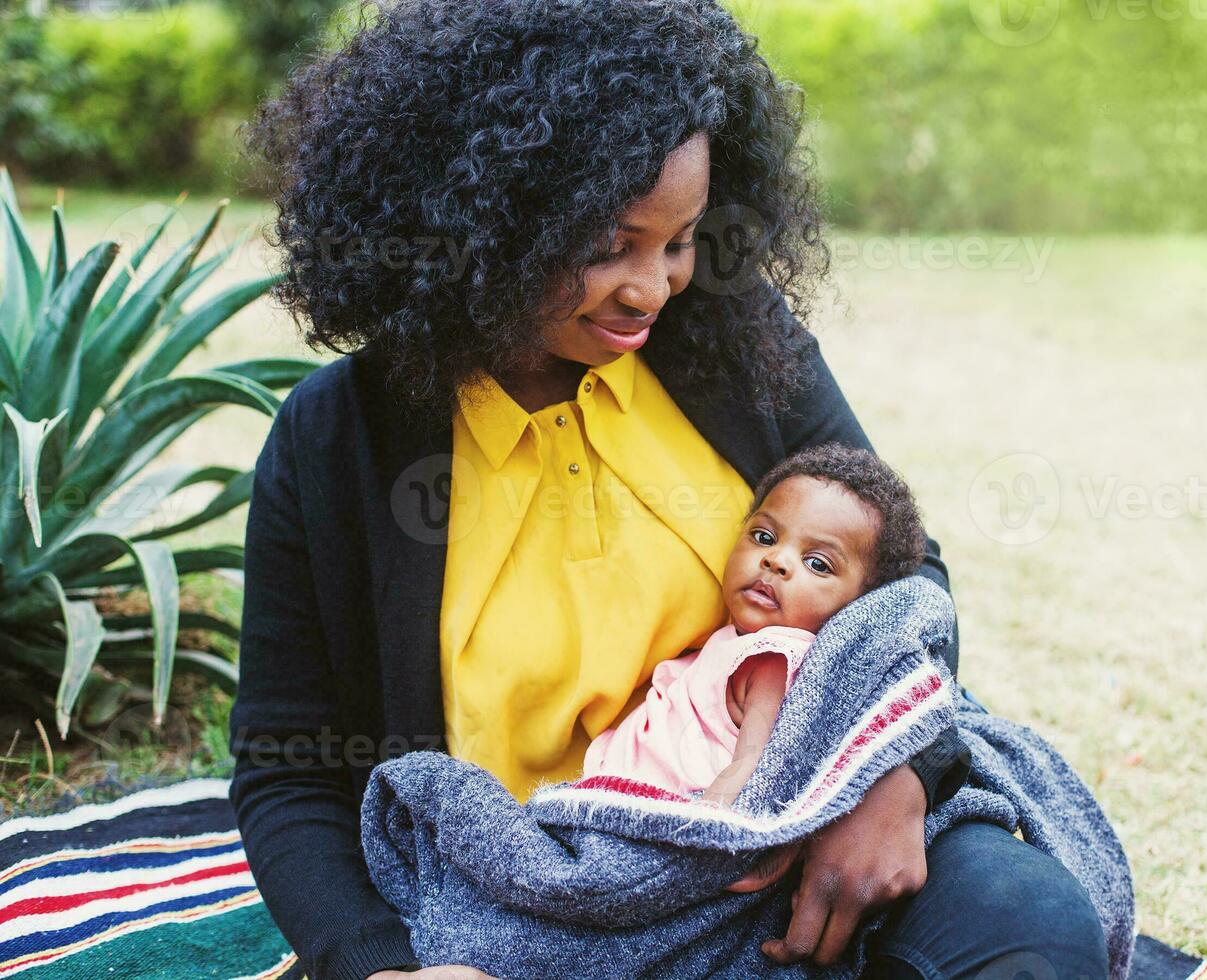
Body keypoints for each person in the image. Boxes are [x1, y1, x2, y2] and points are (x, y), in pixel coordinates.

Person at [230, 1, 1111, 978]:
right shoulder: (335, 443)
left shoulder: (730, 343)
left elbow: (903, 570)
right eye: (610, 244)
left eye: (679, 238)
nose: (652, 288)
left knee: (1033, 930)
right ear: (482, 224)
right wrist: (383, 965)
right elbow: (288, 768)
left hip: (804, 822)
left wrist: (891, 769)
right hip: (543, 904)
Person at [581, 443, 930, 806]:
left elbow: (753, 760)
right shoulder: (743, 641)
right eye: (764, 537)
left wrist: (708, 823)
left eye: (817, 563)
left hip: (660, 814)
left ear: (858, 604)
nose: (776, 560)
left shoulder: (773, 656)